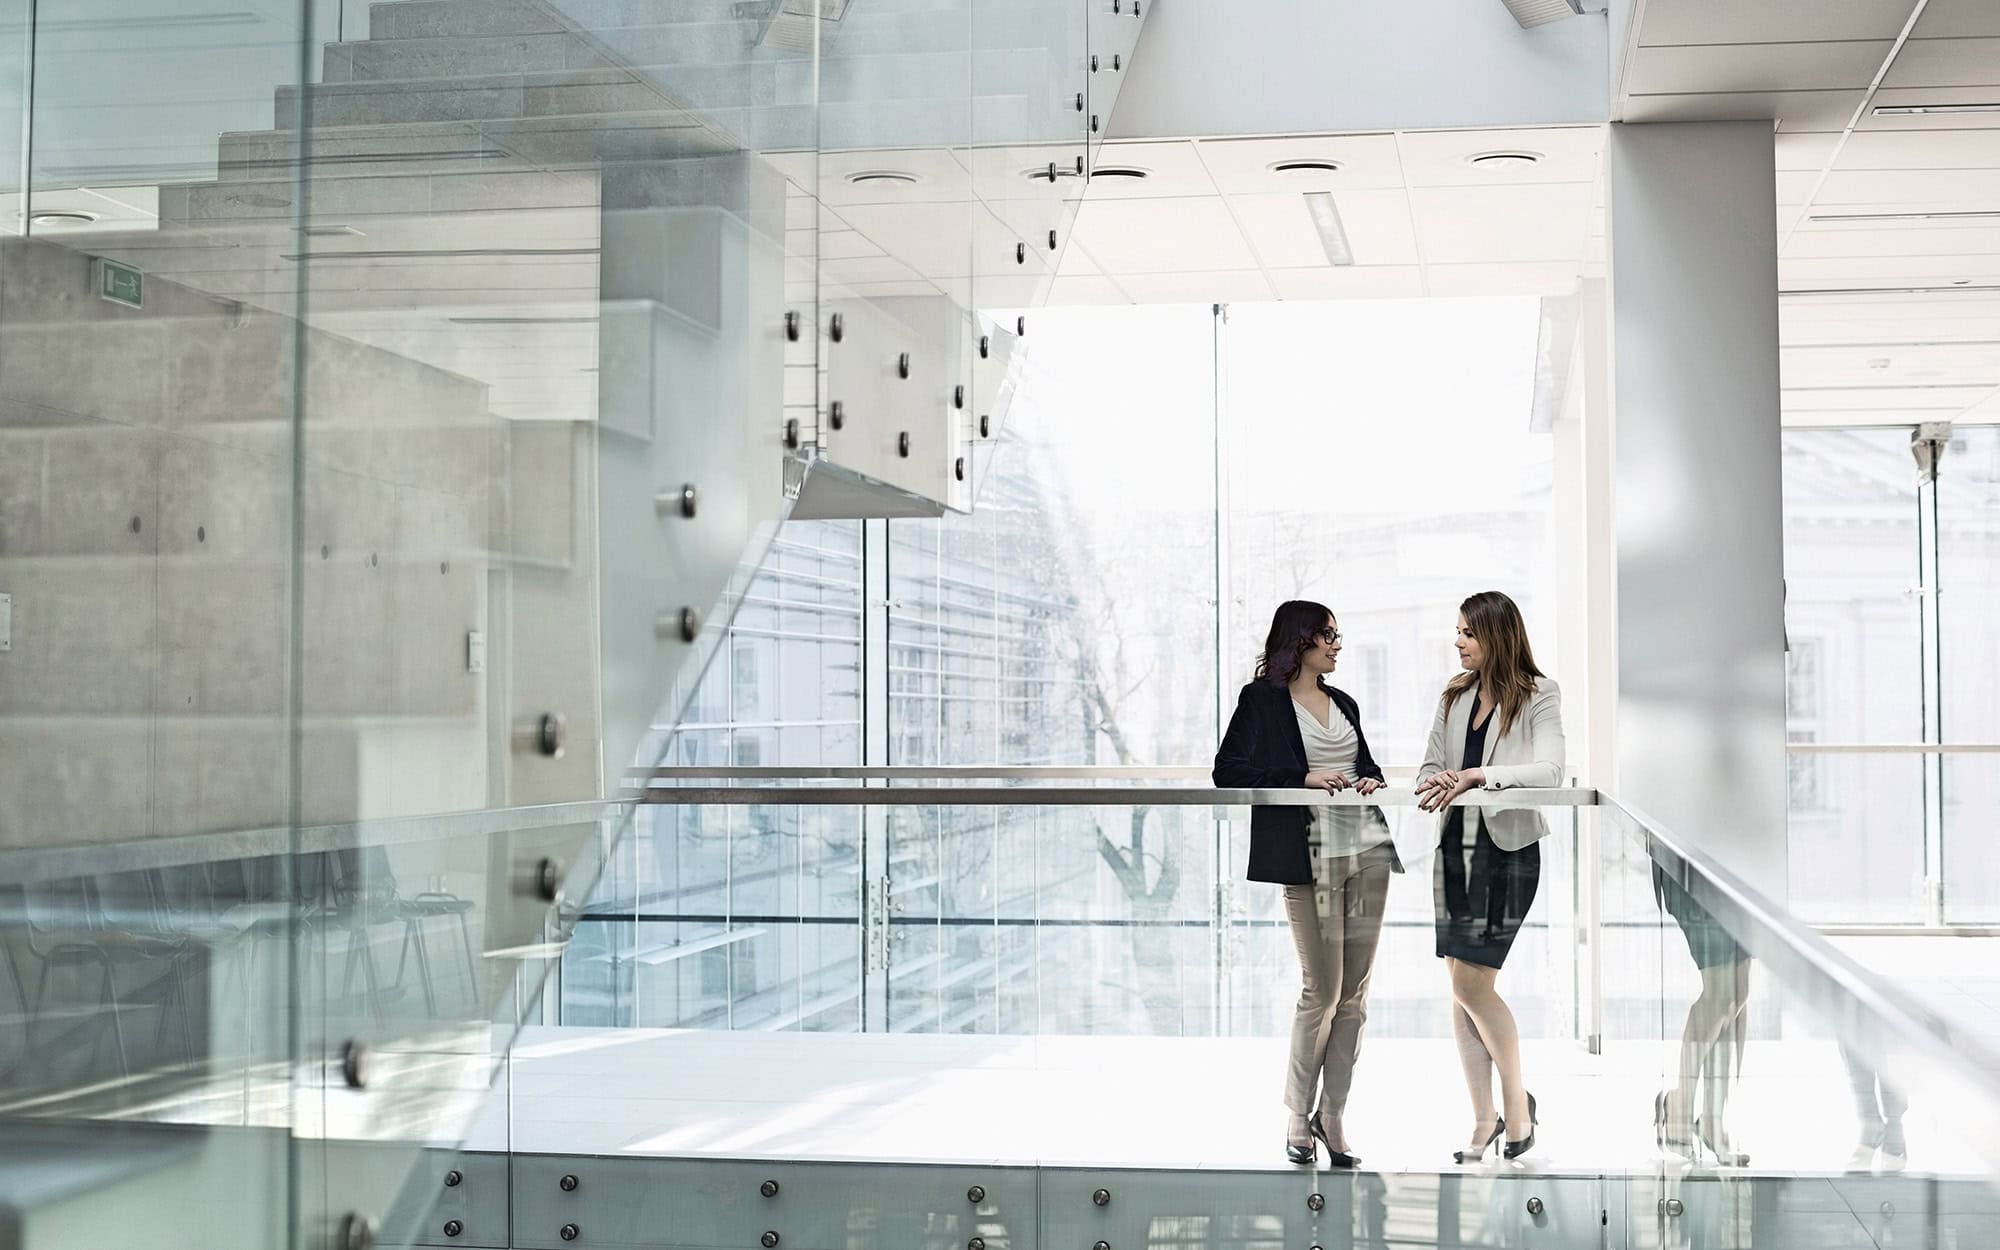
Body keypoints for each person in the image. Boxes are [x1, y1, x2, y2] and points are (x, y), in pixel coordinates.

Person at [1215, 600, 1401, 1168]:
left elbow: (1366, 766)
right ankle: (1298, 1114)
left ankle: (1334, 1114)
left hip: (1366, 850)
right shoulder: (1262, 701)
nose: (1337, 645)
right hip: (1308, 857)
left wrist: (1370, 780)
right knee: (1320, 990)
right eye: (1328, 636)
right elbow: (1228, 772)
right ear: (1300, 641)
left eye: (1338, 636)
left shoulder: (1343, 701)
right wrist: (1301, 776)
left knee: (1355, 998)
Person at [1413, 591, 1565, 1163]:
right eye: (1457, 632)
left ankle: (1517, 1108)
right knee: (1461, 987)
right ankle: (1483, 1119)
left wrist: (1478, 775)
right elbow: (1429, 764)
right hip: (1454, 847)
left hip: (1509, 850)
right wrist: (1443, 778)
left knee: (1470, 986)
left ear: (1495, 637)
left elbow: (1551, 770)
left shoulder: (1539, 694)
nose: (1457, 642)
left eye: (1467, 634)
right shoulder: (1454, 695)